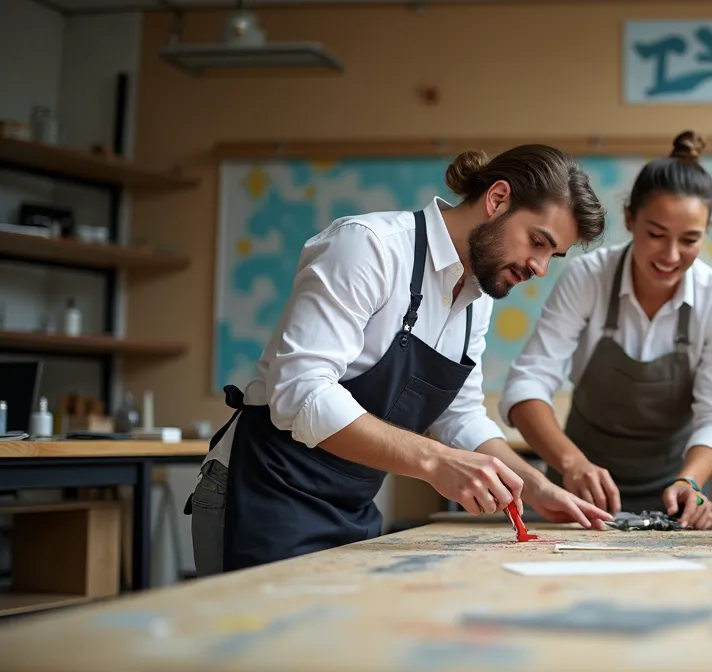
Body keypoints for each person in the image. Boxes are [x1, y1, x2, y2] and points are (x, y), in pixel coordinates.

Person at [187, 143, 615, 575]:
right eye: (537, 242)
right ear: (497, 199)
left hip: (351, 508)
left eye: (552, 255)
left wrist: (539, 488)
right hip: (263, 493)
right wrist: (434, 462)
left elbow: (460, 419)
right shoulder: (368, 247)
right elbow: (300, 394)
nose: (540, 267)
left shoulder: (477, 298)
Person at [499, 131, 712, 531]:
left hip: (674, 498)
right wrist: (572, 462)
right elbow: (526, 386)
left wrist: (692, 480)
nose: (670, 256)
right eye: (656, 234)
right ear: (630, 219)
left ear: (707, 232)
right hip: (578, 497)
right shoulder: (588, 278)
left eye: (690, 240)